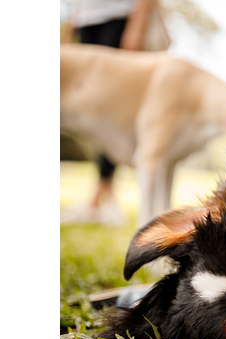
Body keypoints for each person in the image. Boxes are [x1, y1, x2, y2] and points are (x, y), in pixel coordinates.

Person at [65, 0, 159, 224]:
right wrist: (72, 24)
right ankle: (104, 196)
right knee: (92, 111)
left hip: (119, 16)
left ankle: (100, 198)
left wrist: (137, 25)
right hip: (87, 19)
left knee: (112, 111)